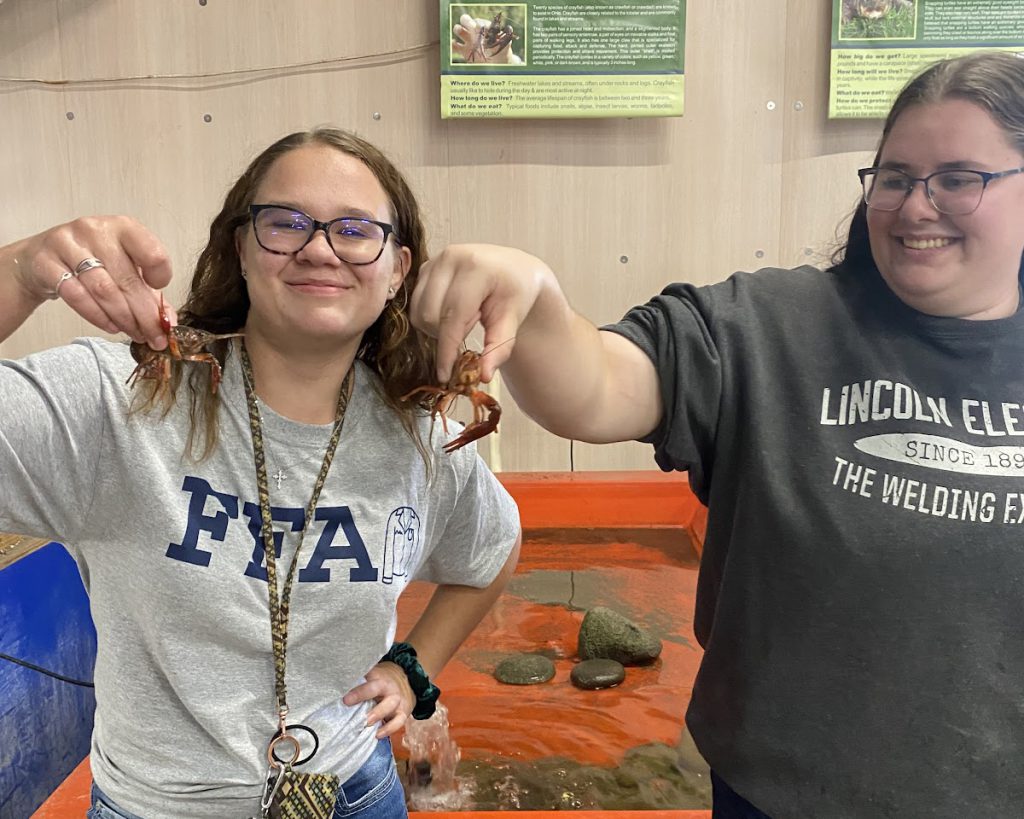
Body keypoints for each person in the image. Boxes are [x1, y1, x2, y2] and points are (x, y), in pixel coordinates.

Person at [409, 50, 1024, 817]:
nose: (915, 206)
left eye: (960, 178)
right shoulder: (770, 328)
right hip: (776, 795)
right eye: (894, 177)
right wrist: (534, 298)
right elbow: (598, 390)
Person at [0, 128, 521, 819]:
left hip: (352, 790)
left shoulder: (421, 439)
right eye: (285, 222)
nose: (318, 246)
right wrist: (17, 272)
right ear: (240, 246)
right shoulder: (116, 401)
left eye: (354, 229)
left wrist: (411, 667)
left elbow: (495, 548)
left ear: (398, 269)